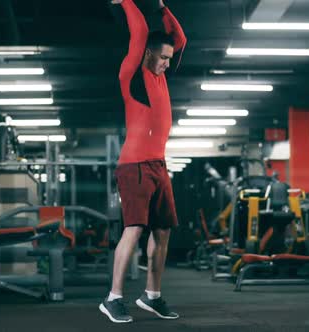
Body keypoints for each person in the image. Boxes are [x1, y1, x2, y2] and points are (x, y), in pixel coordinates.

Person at [100, 0, 186, 324]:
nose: (167, 62)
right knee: (134, 229)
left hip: (158, 165)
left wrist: (163, 8)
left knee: (163, 231)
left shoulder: (162, 76)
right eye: (163, 57)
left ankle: (151, 296)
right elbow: (138, 31)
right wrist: (126, 2)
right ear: (148, 54)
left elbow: (180, 40)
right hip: (134, 165)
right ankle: (113, 298)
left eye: (168, 57)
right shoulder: (133, 73)